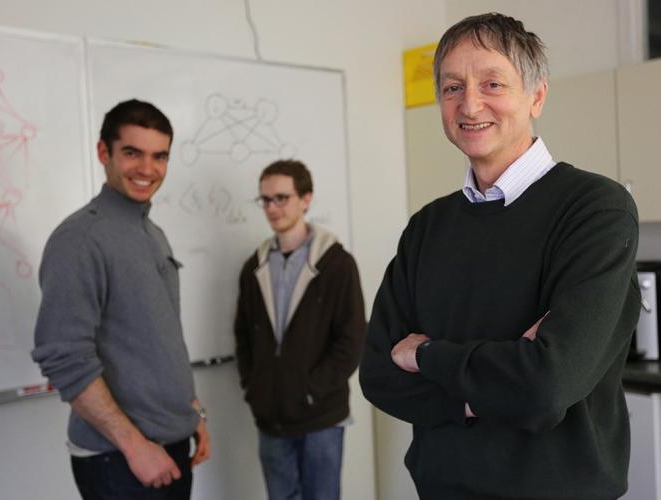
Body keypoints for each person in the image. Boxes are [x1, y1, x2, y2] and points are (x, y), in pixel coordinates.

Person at [359, 13, 641, 500]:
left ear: (536, 96)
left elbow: (546, 386)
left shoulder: (595, 209)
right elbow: (379, 376)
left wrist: (426, 354)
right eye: (452, 87)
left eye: (492, 83)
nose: (470, 103)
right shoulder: (427, 227)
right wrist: (505, 377)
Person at [32, 99, 210, 500]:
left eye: (159, 156)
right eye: (132, 153)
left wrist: (192, 412)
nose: (147, 169)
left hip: (170, 444)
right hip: (119, 459)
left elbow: (157, 338)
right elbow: (63, 355)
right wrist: (134, 446)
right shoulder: (80, 239)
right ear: (103, 153)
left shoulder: (152, 234)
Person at [234, 159, 366, 500]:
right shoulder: (254, 267)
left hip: (321, 415)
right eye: (265, 200)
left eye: (281, 198)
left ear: (305, 199)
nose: (272, 208)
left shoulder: (337, 263)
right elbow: (244, 335)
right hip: (271, 418)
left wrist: (311, 389)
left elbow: (352, 340)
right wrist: (256, 387)